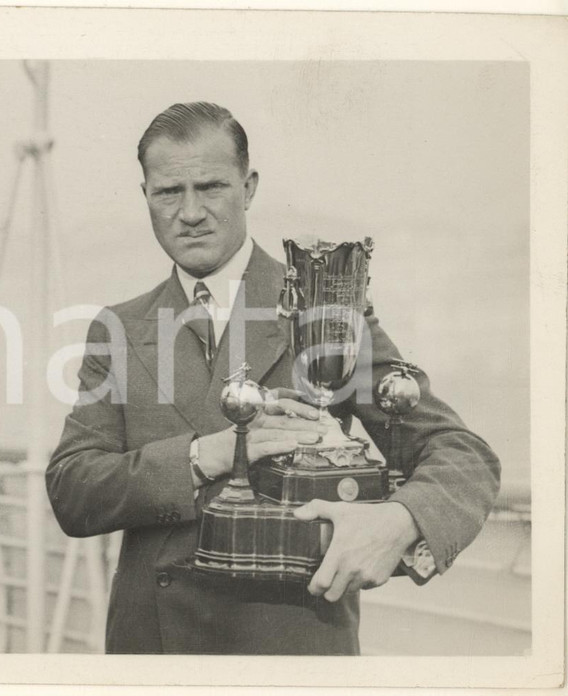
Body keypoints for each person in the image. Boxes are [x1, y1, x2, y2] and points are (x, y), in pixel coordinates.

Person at [46, 102, 500, 654]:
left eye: (211, 187)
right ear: (145, 195)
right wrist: (203, 455)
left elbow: (462, 454)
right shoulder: (118, 327)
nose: (190, 212)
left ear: (249, 186)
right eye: (169, 192)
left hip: (293, 650)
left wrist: (400, 521)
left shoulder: (325, 302)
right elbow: (72, 489)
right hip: (154, 653)